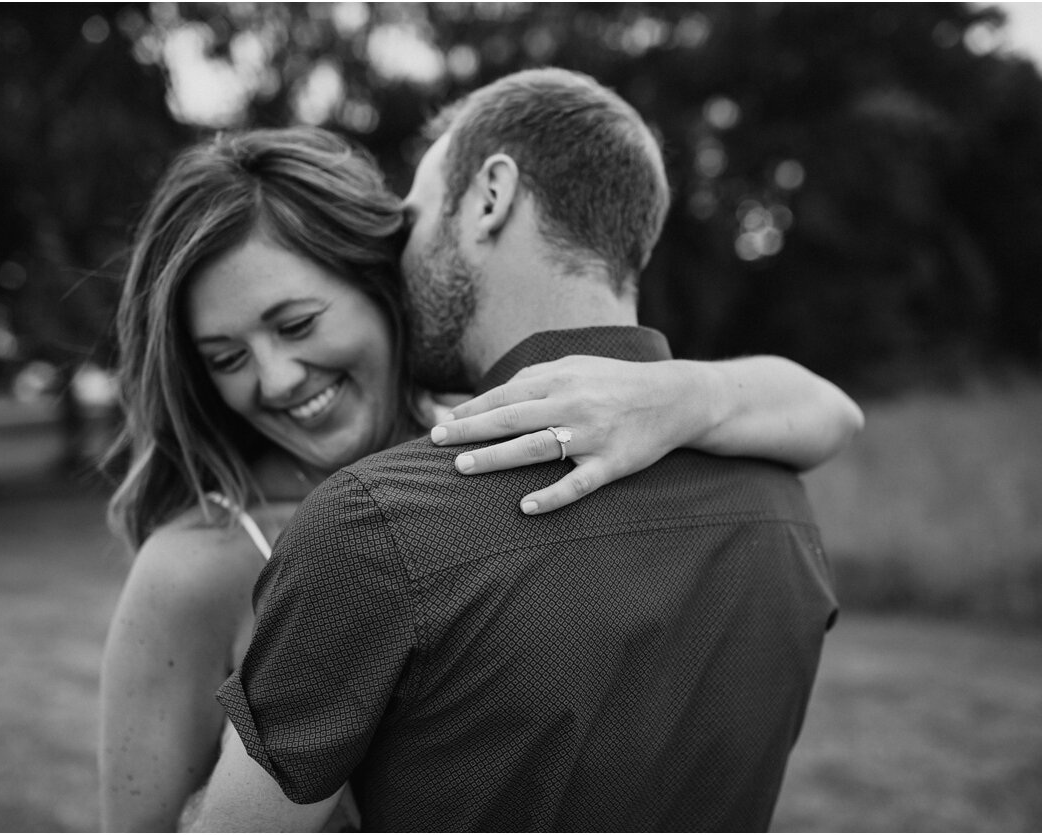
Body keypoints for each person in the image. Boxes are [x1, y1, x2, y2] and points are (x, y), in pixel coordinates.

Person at [97, 124, 863, 829]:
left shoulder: (517, 440)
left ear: (383, 283)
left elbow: (830, 412)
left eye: (296, 324)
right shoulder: (194, 566)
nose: (275, 378)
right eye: (226, 358)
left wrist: (673, 396)